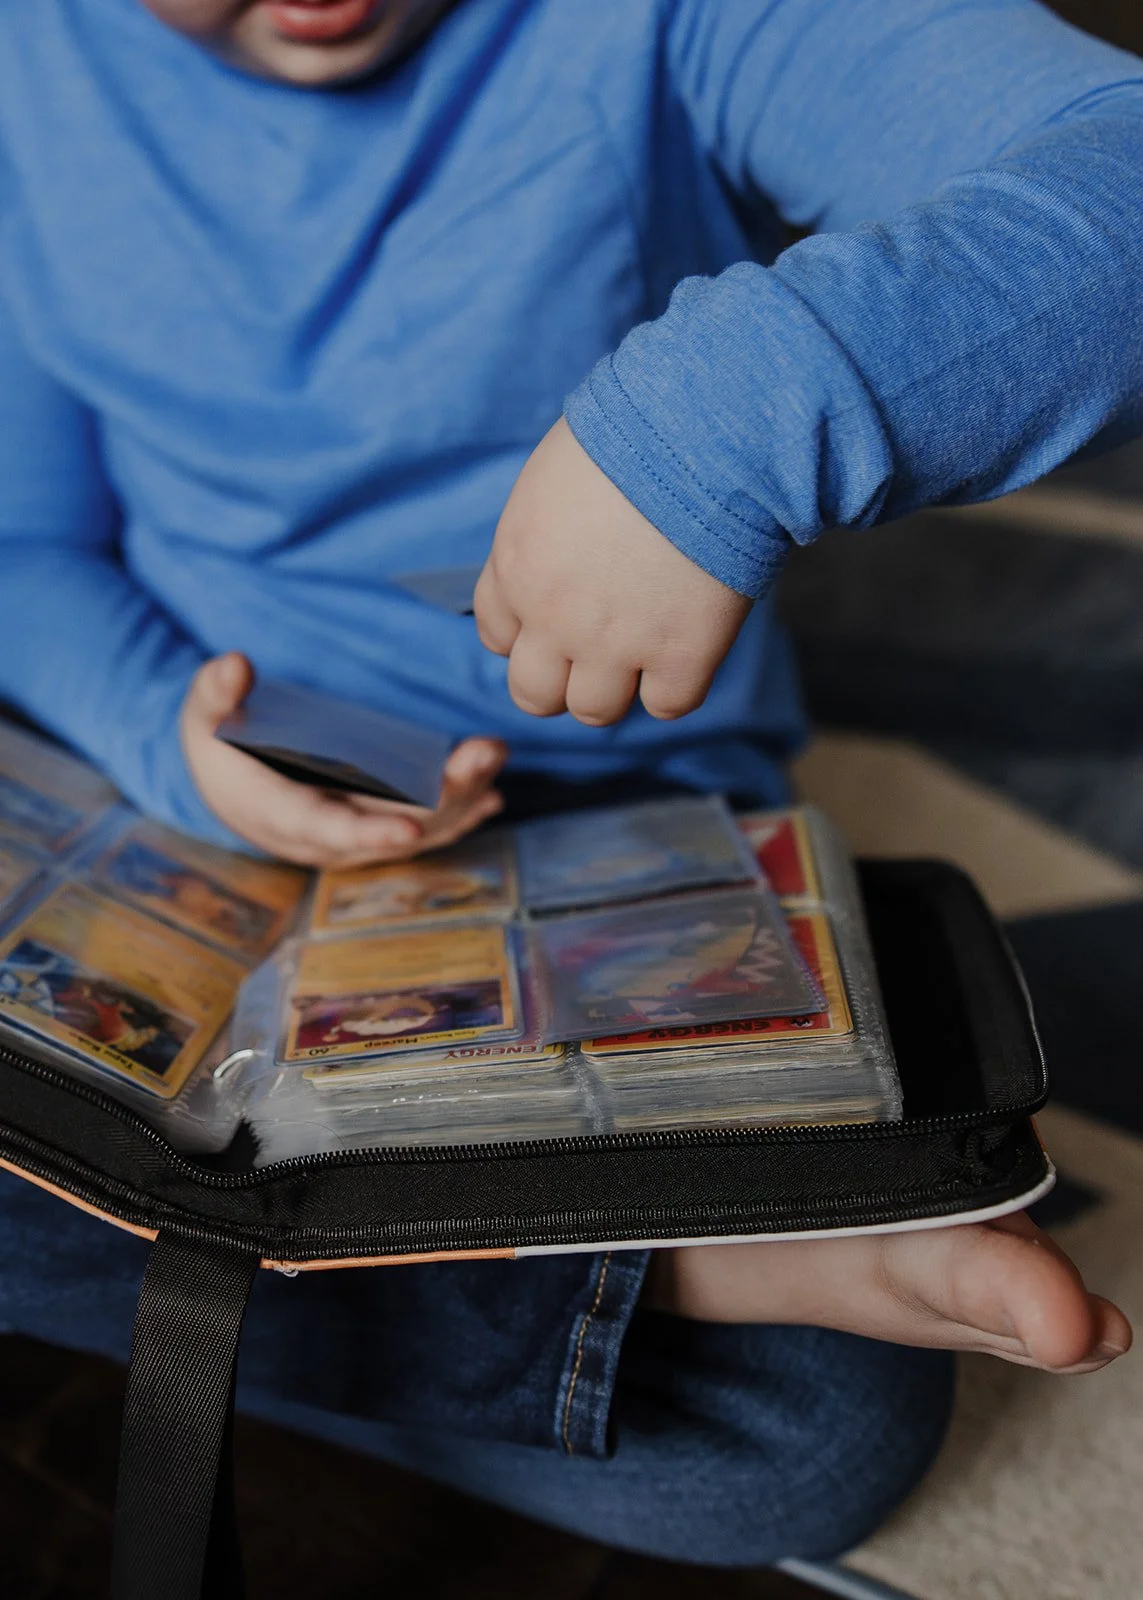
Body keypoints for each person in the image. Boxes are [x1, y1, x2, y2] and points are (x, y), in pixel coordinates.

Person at [0, 0, 1137, 1566]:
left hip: (595, 830)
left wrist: (716, 421)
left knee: (809, 1438)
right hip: (159, 779)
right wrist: (163, 735)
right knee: (764, 1406)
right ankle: (633, 1269)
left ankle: (390, 1257)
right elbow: (24, 545)